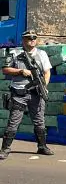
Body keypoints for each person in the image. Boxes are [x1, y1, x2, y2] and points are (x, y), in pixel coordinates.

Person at [1, 29, 54, 159]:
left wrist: (44, 86)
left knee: (39, 121)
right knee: (14, 121)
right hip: (19, 93)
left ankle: (42, 146)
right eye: (29, 38)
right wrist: (20, 71)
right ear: (23, 40)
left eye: (34, 38)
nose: (32, 40)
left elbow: (47, 72)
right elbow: (5, 69)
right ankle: (5, 149)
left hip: (36, 92)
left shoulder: (42, 54)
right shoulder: (14, 53)